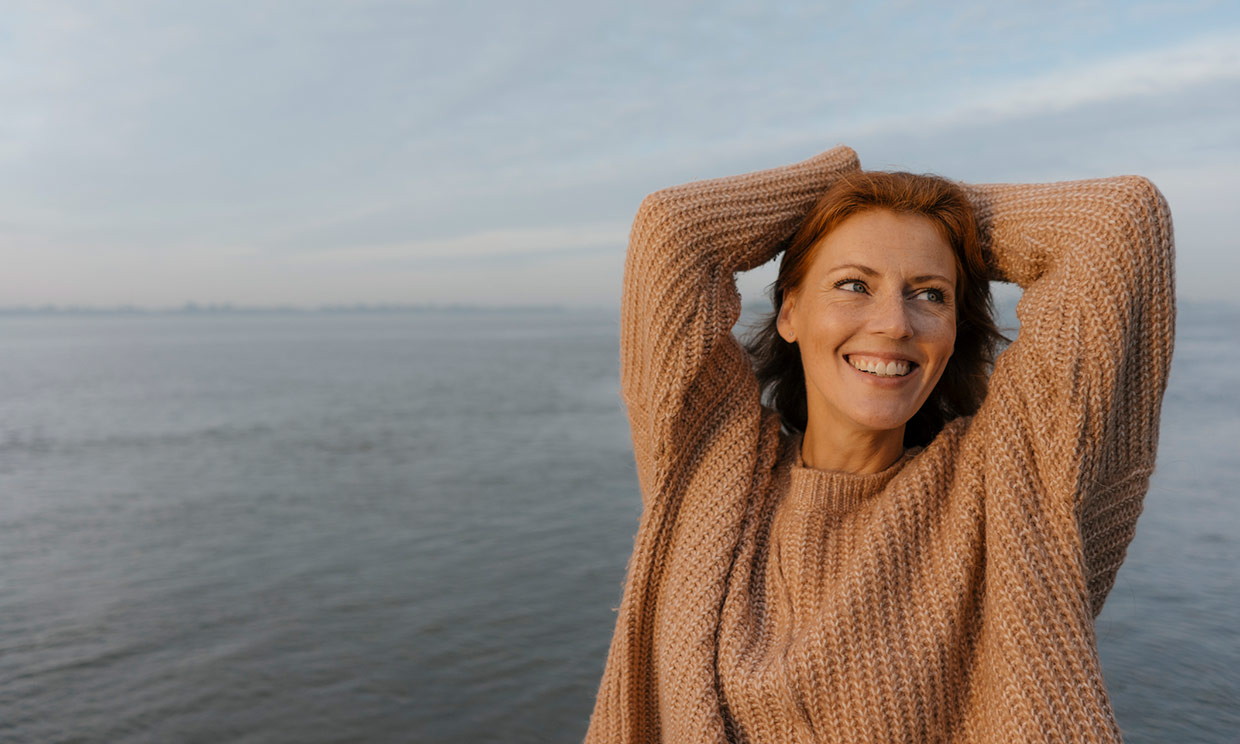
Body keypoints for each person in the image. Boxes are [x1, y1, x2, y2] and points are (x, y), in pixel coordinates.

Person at [585, 146, 1175, 743]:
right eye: (853, 285)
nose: (896, 322)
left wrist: (938, 207)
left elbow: (1118, 220)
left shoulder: (1013, 483)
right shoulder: (711, 470)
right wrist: (845, 175)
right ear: (790, 312)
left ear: (952, 333)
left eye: (930, 294)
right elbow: (675, 231)